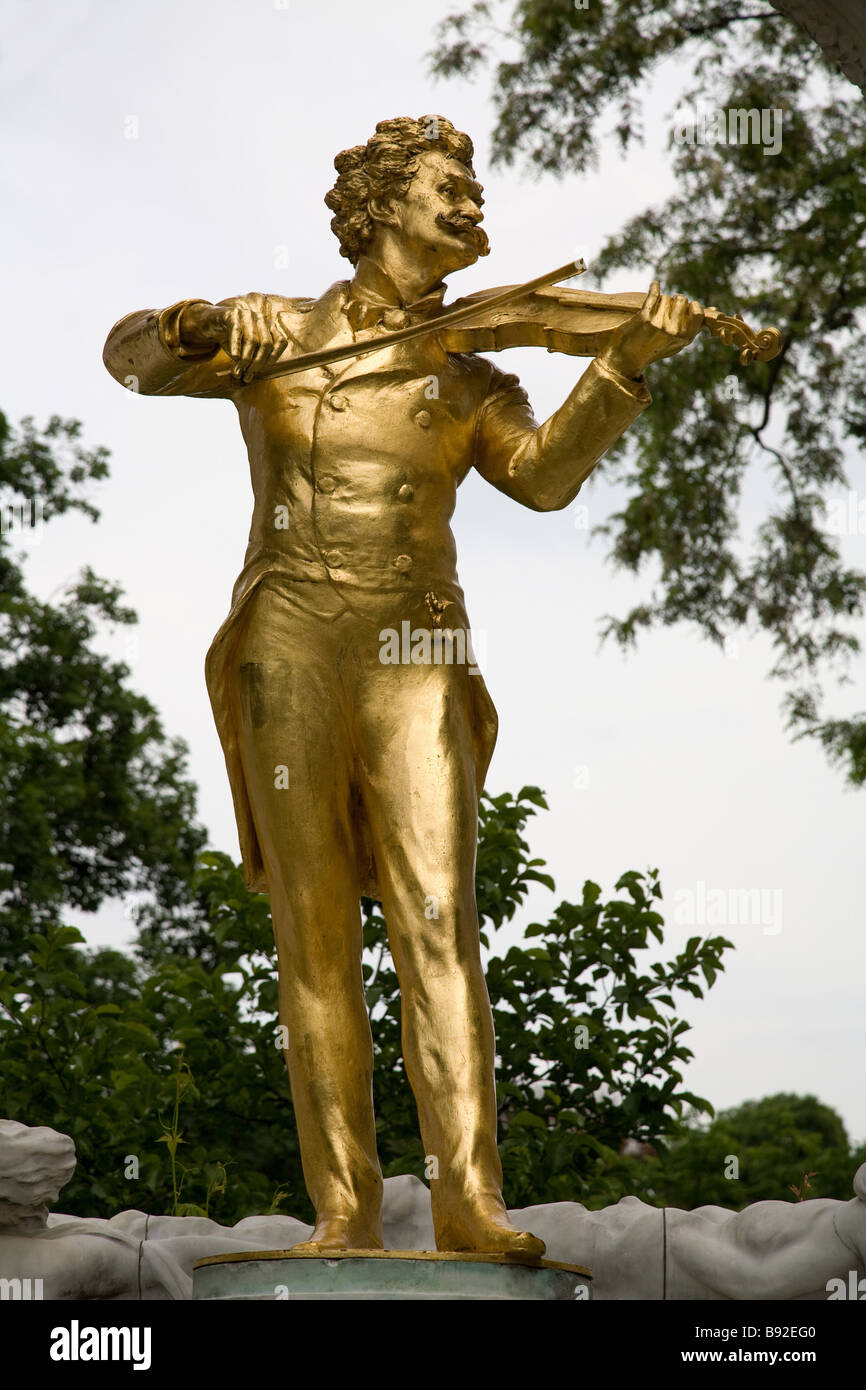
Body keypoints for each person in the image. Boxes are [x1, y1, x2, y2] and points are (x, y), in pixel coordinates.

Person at [103, 115, 703, 1257]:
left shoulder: (473, 373)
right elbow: (133, 361)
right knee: (312, 929)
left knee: (438, 917)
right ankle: (342, 1209)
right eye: (446, 185)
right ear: (379, 205)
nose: (471, 203)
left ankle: (468, 1201)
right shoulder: (274, 331)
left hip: (415, 651)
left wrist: (620, 361)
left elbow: (541, 482)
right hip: (288, 636)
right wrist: (176, 328)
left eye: (472, 187)